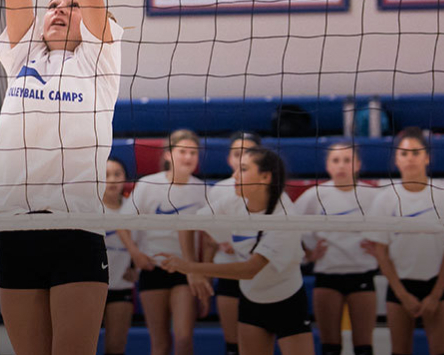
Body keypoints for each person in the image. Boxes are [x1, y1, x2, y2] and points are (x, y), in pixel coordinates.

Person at [0, 0, 123, 355]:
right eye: (53, 4)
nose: (60, 8)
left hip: (75, 226)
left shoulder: (98, 60)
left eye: (71, 4)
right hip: (14, 225)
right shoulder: (23, 56)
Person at [158, 146, 313, 355]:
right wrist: (193, 272)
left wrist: (189, 266)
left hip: (287, 301)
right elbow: (186, 223)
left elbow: (250, 269)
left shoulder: (285, 216)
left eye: (244, 169)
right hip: (252, 299)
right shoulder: (234, 201)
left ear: (265, 177)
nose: (234, 175)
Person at [366, 127, 444, 355]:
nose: (410, 158)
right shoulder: (384, 199)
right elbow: (381, 251)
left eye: (416, 152)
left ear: (427, 157)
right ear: (396, 160)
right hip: (400, 288)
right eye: (404, 153)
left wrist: (436, 294)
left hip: (436, 286)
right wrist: (402, 295)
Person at [118, 129, 207, 355]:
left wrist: (203, 272)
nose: (188, 157)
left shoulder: (202, 190)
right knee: (160, 343)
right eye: (183, 151)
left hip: (185, 271)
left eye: (193, 153)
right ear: (168, 154)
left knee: (184, 338)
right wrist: (135, 254)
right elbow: (121, 223)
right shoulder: (149, 184)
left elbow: (208, 237)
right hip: (152, 268)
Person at [294, 142, 379, 355]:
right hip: (327, 275)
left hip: (362, 274)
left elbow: (395, 230)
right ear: (327, 165)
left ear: (358, 164)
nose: (341, 165)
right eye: (335, 160)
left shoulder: (373, 195)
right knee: (330, 347)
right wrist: (307, 255)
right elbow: (288, 227)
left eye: (347, 160)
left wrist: (380, 251)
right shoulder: (315, 195)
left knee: (364, 347)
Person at [200, 131, 262, 355]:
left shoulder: (269, 188)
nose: (242, 158)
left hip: (261, 275)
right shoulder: (218, 190)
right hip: (228, 271)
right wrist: (219, 241)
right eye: (237, 153)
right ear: (229, 159)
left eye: (248, 153)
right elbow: (206, 235)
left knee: (256, 345)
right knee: (233, 346)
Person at [102, 158, 136, 355]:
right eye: (106, 175)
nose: (112, 180)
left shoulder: (133, 209)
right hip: (90, 285)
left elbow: (143, 244)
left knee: (115, 348)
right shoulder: (89, 209)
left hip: (121, 285)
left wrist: (136, 269)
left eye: (117, 174)